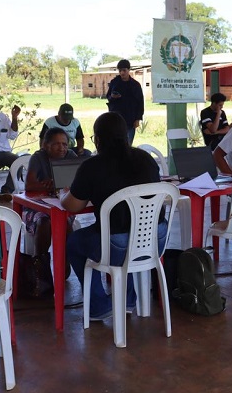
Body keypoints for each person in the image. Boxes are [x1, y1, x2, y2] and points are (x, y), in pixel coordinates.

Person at [62, 112, 167, 321]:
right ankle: (127, 300)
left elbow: (72, 206)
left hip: (117, 246)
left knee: (75, 241)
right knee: (128, 229)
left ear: (98, 140)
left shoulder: (92, 166)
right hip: (155, 240)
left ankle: (99, 305)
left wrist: (63, 194)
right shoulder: (145, 159)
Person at [24, 127, 79, 258]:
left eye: (65, 144)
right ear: (45, 145)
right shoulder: (38, 157)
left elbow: (78, 182)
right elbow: (29, 185)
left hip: (63, 206)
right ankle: (41, 263)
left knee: (64, 222)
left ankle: (65, 260)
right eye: (56, 144)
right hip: (37, 206)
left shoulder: (71, 156)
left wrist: (57, 185)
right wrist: (52, 186)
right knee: (44, 222)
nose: (61, 148)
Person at [106, 59, 144, 144]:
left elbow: (140, 102)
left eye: (124, 70)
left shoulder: (135, 85)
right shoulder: (114, 82)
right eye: (120, 71)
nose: (122, 73)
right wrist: (112, 97)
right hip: (115, 119)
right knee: (115, 144)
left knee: (128, 144)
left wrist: (138, 119)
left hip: (130, 119)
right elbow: (108, 96)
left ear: (128, 70)